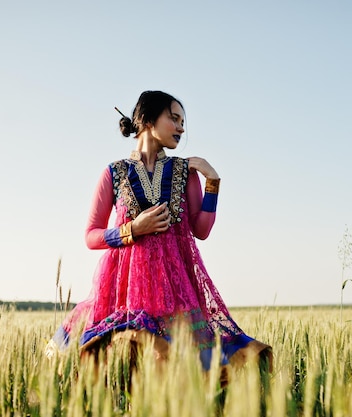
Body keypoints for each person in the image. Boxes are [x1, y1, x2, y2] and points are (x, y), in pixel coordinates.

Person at [49, 90, 271, 374]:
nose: (181, 127)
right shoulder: (114, 173)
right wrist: (132, 229)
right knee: (122, 369)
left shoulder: (184, 171)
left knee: (180, 369)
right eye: (174, 118)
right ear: (148, 119)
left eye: (182, 121)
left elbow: (201, 230)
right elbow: (91, 235)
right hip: (123, 292)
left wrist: (212, 182)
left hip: (175, 292)